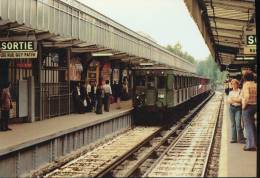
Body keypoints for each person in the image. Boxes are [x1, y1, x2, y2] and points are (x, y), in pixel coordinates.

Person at [241, 71, 257, 151]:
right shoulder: (255, 84)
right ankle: (255, 143)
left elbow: (247, 96)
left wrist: (244, 106)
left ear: (245, 77)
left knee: (248, 126)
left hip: (248, 106)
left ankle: (250, 145)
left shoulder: (246, 85)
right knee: (253, 124)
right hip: (255, 106)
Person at [226, 79, 245, 143]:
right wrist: (235, 99)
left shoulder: (240, 91)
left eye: (235, 84)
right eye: (232, 84)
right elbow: (228, 101)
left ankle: (241, 139)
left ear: (237, 84)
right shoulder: (230, 92)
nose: (233, 85)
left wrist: (233, 99)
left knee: (238, 124)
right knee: (233, 124)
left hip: (238, 109)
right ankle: (234, 139)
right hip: (231, 108)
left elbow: (240, 100)